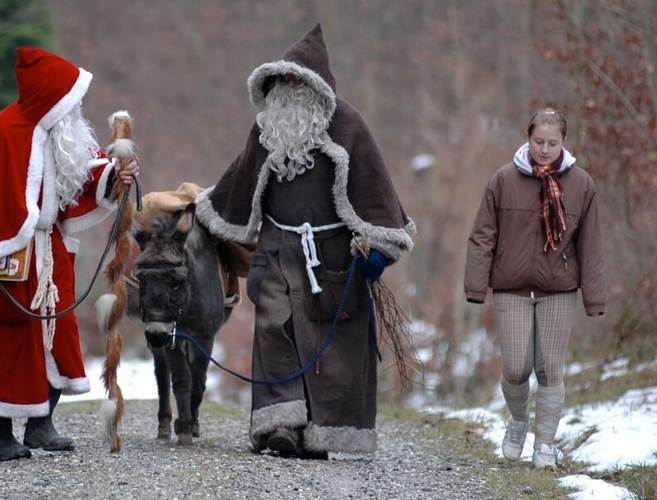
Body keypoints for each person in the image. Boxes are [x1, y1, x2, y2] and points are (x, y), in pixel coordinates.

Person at [195, 24, 416, 459]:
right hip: (277, 248)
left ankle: (325, 431)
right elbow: (236, 186)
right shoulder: (267, 129)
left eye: (300, 79)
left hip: (334, 256)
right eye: (284, 79)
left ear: (317, 84)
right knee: (275, 331)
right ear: (273, 84)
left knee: (331, 346)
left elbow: (377, 192)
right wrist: (197, 218)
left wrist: (378, 250)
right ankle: (281, 428)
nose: (291, 86)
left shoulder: (349, 125)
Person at [0, 47, 139, 462]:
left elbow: (85, 174)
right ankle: (2, 437)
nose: (77, 109)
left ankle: (42, 425)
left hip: (51, 253)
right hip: (3, 257)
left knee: (56, 337)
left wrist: (115, 176)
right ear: (52, 97)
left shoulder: (62, 134)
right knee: (3, 344)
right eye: (71, 99)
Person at [464, 108, 605, 470]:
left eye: (552, 143)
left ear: (564, 143)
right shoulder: (503, 180)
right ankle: (518, 422)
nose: (544, 149)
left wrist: (594, 296)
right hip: (510, 287)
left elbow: (590, 246)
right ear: (528, 139)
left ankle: (545, 445)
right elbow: (483, 235)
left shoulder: (582, 185)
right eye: (538, 141)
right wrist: (477, 285)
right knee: (515, 368)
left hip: (558, 288)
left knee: (550, 368)